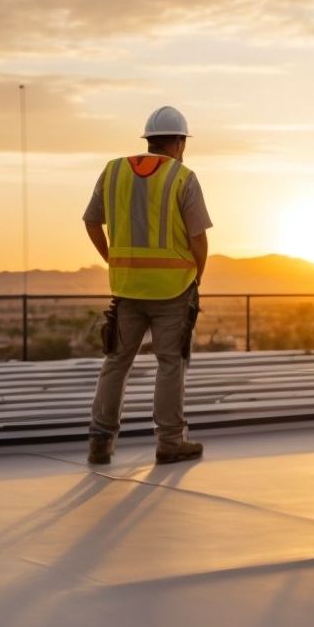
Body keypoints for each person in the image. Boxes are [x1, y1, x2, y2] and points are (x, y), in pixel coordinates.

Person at [83, 106, 210, 465]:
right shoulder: (182, 177)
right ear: (180, 142)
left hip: (126, 288)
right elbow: (198, 239)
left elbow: (92, 222)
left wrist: (112, 259)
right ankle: (170, 442)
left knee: (116, 363)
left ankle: (100, 441)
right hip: (172, 290)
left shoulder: (113, 172)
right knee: (170, 364)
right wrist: (196, 277)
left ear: (148, 139)